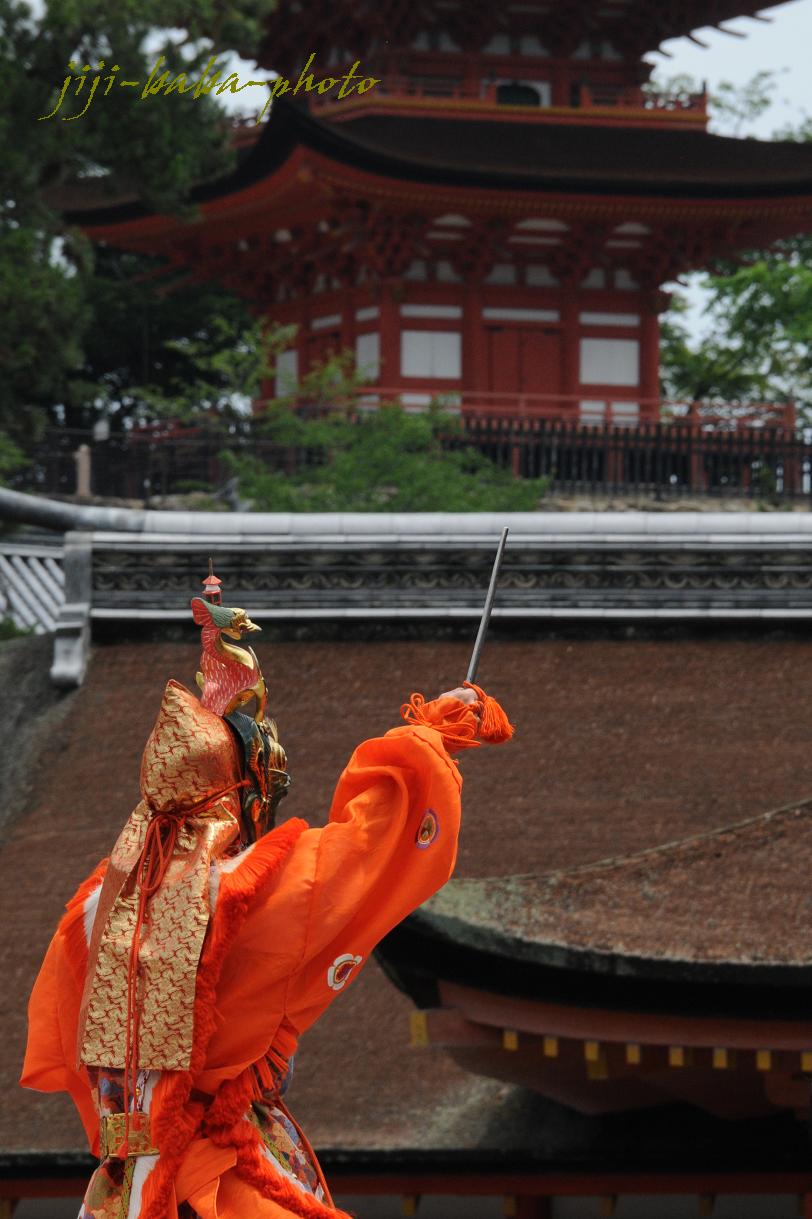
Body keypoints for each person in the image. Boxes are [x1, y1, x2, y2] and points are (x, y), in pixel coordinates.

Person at [21, 572, 513, 1219]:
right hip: (230, 1180)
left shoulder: (91, 912)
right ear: (244, 793)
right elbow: (375, 843)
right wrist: (434, 731)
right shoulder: (249, 895)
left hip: (121, 1188)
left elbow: (86, 1074)